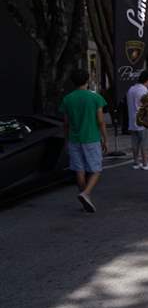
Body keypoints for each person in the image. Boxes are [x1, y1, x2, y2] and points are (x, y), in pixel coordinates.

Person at [60, 68, 108, 212]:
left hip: (74, 139)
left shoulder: (67, 99)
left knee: (79, 170)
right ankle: (86, 193)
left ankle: (85, 198)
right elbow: (101, 121)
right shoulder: (95, 98)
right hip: (91, 138)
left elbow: (66, 123)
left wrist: (66, 140)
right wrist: (105, 139)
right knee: (96, 169)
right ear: (87, 80)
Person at [127, 70, 148, 170]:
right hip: (143, 120)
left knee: (135, 142)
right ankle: (145, 163)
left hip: (132, 120)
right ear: (147, 80)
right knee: (145, 142)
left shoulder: (131, 89)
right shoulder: (144, 90)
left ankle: (136, 162)